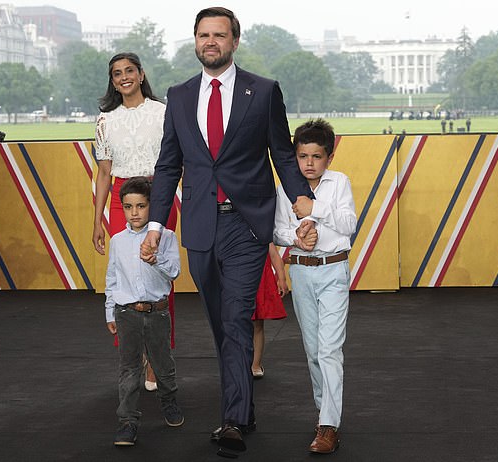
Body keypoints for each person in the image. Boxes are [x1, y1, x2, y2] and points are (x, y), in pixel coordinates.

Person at [140, 6, 314, 457]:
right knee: (222, 324)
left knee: (236, 317)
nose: (210, 42)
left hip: (246, 225)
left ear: (235, 41)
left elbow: (282, 152)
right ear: (195, 41)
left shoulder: (264, 91)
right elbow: (167, 165)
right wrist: (156, 224)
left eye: (219, 35)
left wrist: (300, 197)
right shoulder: (178, 96)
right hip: (199, 226)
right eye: (203, 35)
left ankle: (233, 420)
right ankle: (245, 407)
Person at [93, 52, 178, 391]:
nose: (124, 77)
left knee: (157, 273)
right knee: (126, 275)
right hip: (119, 198)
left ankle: (157, 359)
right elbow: (103, 173)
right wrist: (96, 219)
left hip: (158, 196)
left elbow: (175, 161)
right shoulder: (104, 120)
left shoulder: (162, 113)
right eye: (117, 73)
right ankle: (134, 356)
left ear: (142, 75)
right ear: (112, 80)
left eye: (130, 71)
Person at [274, 119, 357, 455]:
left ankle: (328, 426)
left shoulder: (339, 183)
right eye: (303, 155)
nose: (309, 163)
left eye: (317, 156)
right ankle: (324, 413)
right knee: (312, 352)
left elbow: (349, 224)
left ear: (329, 158)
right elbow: (278, 230)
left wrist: (314, 210)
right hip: (303, 272)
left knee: (329, 349)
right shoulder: (285, 188)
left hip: (334, 269)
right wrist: (296, 237)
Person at [104, 176, 184, 446]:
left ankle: (169, 401)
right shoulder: (117, 240)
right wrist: (109, 312)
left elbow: (175, 271)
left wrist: (155, 257)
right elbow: (112, 278)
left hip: (157, 312)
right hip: (126, 313)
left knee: (163, 364)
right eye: (128, 207)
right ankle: (127, 421)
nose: (134, 212)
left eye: (140, 206)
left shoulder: (167, 237)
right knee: (128, 368)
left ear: (152, 206)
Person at [251, 242, 288, 379]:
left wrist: (282, 279)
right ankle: (239, 363)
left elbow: (274, 255)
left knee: (258, 324)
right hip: (240, 278)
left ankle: (256, 364)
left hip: (260, 279)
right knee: (236, 325)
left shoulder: (261, 231)